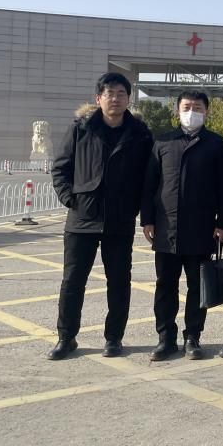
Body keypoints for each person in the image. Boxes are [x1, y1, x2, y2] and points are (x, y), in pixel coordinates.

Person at [49, 72, 153, 360]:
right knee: (73, 282)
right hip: (82, 219)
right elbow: (60, 168)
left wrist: (140, 211)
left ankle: (114, 338)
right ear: (98, 98)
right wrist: (70, 199)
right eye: (109, 93)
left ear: (128, 99)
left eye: (121, 93)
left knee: (118, 282)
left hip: (120, 220)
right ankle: (66, 337)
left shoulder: (140, 133)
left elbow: (149, 178)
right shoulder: (81, 129)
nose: (115, 98)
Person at [140, 91, 223, 361]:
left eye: (198, 107)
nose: (192, 112)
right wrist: (147, 219)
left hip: (201, 227)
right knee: (165, 286)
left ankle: (193, 337)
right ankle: (165, 338)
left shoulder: (216, 143)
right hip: (166, 227)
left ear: (206, 111)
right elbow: (150, 184)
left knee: (197, 286)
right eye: (187, 107)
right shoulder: (163, 141)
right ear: (177, 110)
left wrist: (222, 223)